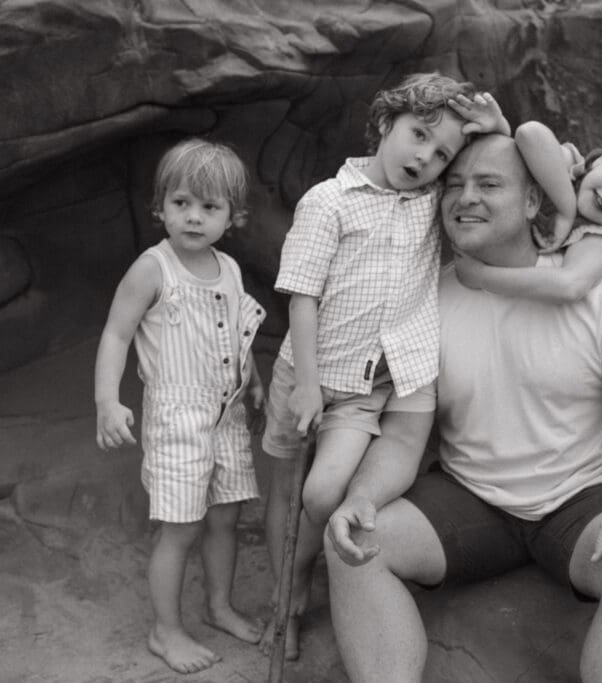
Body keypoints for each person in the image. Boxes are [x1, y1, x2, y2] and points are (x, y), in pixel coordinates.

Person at [324, 133, 602, 683]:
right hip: (472, 497)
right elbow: (403, 437)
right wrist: (362, 498)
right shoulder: (429, 300)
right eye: (455, 184)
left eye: (489, 184)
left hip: (582, 497)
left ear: (534, 199)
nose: (467, 197)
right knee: (354, 544)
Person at [258, 72, 510, 655]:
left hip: (371, 384)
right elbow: (302, 295)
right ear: (384, 122)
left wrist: (497, 129)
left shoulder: (432, 205)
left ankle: (304, 578)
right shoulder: (328, 200)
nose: (425, 158)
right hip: (310, 373)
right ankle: (284, 597)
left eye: (442, 153)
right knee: (286, 489)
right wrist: (308, 386)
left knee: (322, 493)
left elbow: (497, 180)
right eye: (419, 135)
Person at [94, 138, 266, 674]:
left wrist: (254, 380)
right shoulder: (154, 269)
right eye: (181, 203)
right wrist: (107, 401)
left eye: (209, 207)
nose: (194, 217)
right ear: (160, 207)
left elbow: (236, 334)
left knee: (225, 517)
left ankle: (218, 606)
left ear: (233, 216)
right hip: (177, 420)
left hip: (227, 415)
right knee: (181, 527)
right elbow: (117, 334)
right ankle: (165, 631)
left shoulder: (229, 268)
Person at [453, 120, 602, 302]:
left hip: (492, 300)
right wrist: (566, 210)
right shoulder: (570, 169)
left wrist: (481, 276)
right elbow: (529, 133)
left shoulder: (599, 238)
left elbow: (570, 285)